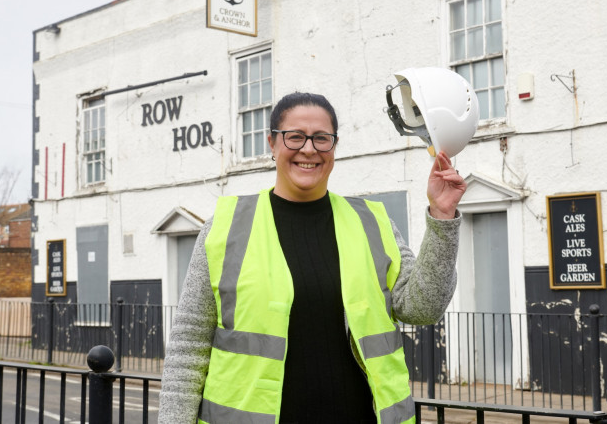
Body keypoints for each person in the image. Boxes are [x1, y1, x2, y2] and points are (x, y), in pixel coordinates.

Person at [159, 92, 466, 424]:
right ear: (272, 144)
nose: (309, 149)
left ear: (334, 148)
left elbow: (422, 308)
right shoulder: (224, 228)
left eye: (322, 138)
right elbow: (188, 350)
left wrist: (442, 216)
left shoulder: (374, 224)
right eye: (295, 137)